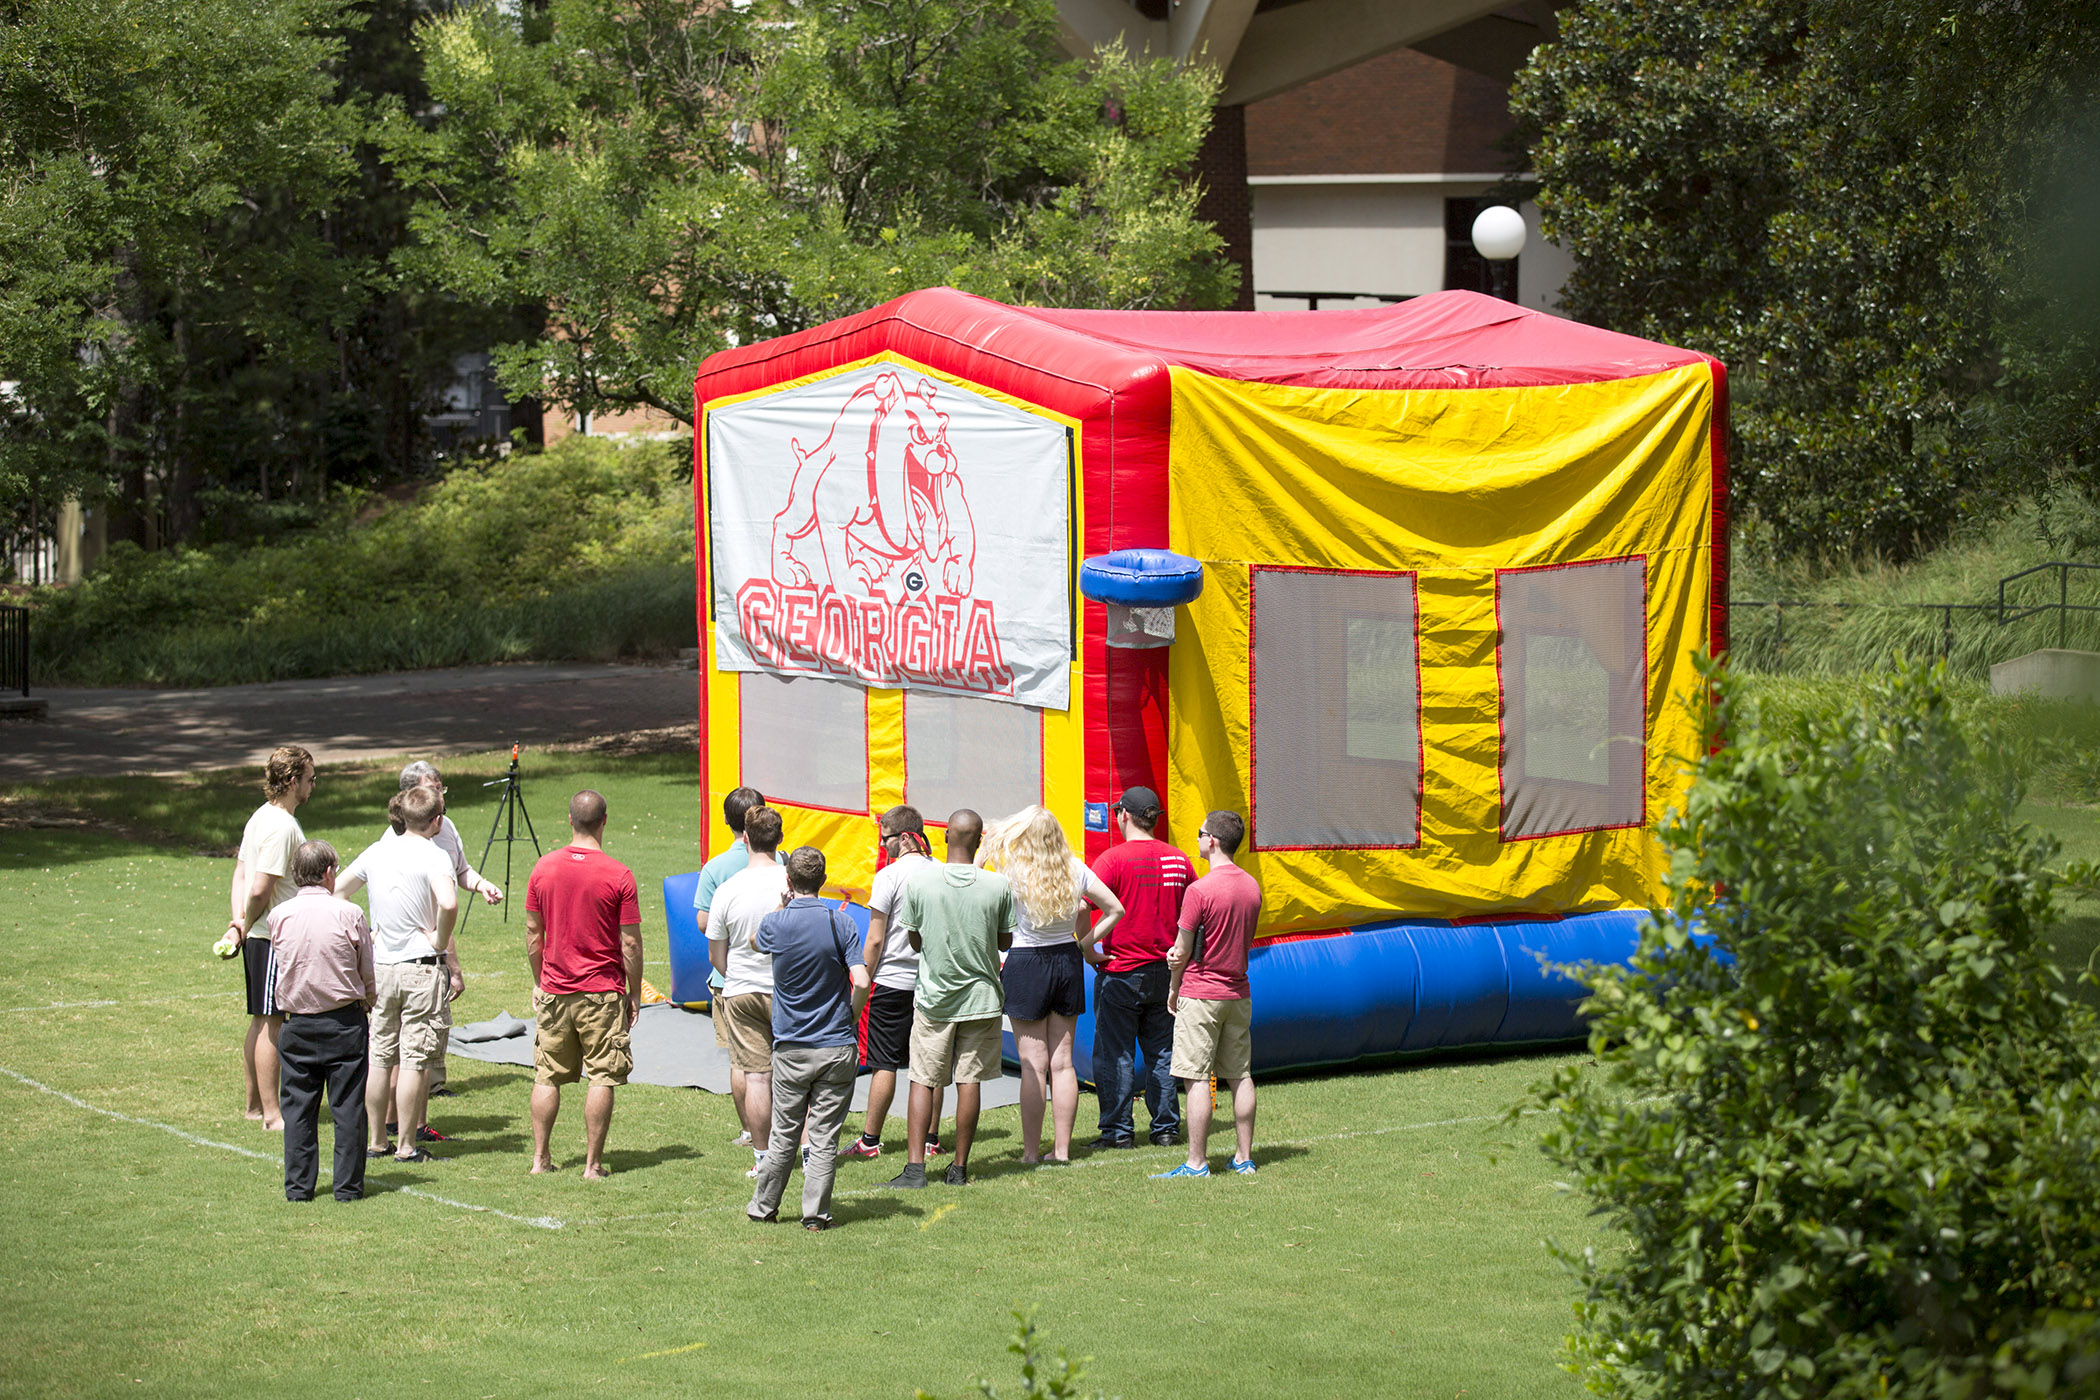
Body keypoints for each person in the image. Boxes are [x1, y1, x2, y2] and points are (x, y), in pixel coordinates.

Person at [980, 805, 1123, 1165]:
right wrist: (1085, 944)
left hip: (1026, 962)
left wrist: (983, 852)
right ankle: (1060, 1151)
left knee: (1032, 1066)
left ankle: (1030, 1152)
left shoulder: (1012, 872)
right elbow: (1115, 909)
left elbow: (972, 881)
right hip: (1066, 960)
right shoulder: (1075, 867)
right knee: (1062, 1064)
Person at [884, 810, 1016, 1189]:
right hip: (982, 997)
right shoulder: (997, 886)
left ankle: (914, 1169)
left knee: (923, 1079)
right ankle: (958, 1167)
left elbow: (913, 940)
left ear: (944, 836)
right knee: (968, 1080)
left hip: (934, 997)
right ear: (980, 840)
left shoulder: (921, 882)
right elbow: (1004, 942)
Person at [747, 846, 870, 1230]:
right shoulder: (842, 924)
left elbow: (754, 942)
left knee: (784, 1133)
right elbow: (862, 980)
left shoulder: (775, 924)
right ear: (823, 880)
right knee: (824, 1137)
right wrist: (851, 1014)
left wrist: (781, 909)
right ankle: (815, 1214)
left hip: (791, 1047)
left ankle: (763, 1207)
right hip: (836, 1044)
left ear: (789, 881)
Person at [524, 790, 643, 1178]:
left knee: (547, 1074)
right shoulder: (618, 874)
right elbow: (629, 942)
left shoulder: (543, 868)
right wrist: (634, 992)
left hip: (556, 989)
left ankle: (540, 1160)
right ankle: (593, 1165)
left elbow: (532, 934)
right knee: (602, 1075)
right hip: (601, 992)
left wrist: (541, 979)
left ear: (570, 820)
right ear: (604, 821)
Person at [339, 784, 459, 1164]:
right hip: (420, 968)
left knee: (380, 1055)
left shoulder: (378, 850)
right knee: (414, 1059)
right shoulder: (434, 854)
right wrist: (439, 939)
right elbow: (449, 902)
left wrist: (365, 933)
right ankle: (406, 1145)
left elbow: (337, 890)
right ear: (436, 820)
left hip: (382, 968)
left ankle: (376, 1141)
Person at [1155, 810, 1262, 1180]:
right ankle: (1243, 1158)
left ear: (1212, 841)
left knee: (1196, 1077)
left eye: (1200, 833)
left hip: (1202, 993)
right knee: (1240, 1076)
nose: (1197, 838)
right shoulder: (1252, 886)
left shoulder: (1198, 890)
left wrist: (1173, 989)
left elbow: (1181, 951)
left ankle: (1197, 1163)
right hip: (1238, 991)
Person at [1084, 786, 1193, 1149]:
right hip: (1166, 972)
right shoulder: (1179, 860)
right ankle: (1166, 1129)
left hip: (1122, 970)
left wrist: (1087, 949)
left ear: (1123, 815)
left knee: (1116, 1053)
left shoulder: (1112, 860)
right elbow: (1194, 914)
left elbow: (1083, 906)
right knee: (1163, 1052)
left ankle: (1118, 1132)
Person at [268, 840, 377, 1203]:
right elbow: (366, 972)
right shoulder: (350, 914)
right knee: (348, 1107)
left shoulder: (279, 916)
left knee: (298, 1109)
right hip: (343, 1022)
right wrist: (370, 1004)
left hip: (296, 1022)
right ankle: (347, 1188)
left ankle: (298, 1188)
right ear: (329, 872)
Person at [842, 804, 949, 1162]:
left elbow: (874, 939)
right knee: (930, 1064)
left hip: (891, 981)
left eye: (886, 838)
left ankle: (870, 1140)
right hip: (933, 981)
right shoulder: (943, 873)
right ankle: (931, 1140)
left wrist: (864, 978)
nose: (883, 845)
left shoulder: (889, 876)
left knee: (883, 1063)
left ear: (904, 837)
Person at [395, 761, 504, 1111]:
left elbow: (460, 871)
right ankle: (409, 1118)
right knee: (417, 1027)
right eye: (433, 789)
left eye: (441, 788)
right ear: (411, 796)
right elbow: (442, 906)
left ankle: (432, 1084)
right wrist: (450, 961)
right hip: (418, 947)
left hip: (433, 938)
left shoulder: (446, 827)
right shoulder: (402, 840)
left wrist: (482, 884)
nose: (440, 796)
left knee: (435, 1020)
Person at [227, 744, 316, 1131]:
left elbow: (240, 874)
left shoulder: (260, 816)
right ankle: (271, 1114)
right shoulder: (281, 827)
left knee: (261, 1021)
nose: (314, 786)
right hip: (272, 937)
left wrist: (237, 923)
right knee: (272, 1025)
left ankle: (252, 1107)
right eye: (311, 779)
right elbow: (260, 887)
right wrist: (245, 925)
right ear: (293, 781)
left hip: (258, 933)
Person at [707, 805, 790, 1177]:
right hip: (787, 990)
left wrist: (738, 976)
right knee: (794, 1074)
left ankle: (763, 1157)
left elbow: (716, 953)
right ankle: (801, 1151)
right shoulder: (794, 882)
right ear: (781, 840)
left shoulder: (727, 888)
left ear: (744, 838)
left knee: (756, 1076)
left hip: (740, 990)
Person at [694, 786, 764, 1147]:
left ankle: (752, 1130)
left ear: (726, 821)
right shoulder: (782, 863)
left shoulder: (716, 867)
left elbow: (705, 924)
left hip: (731, 978)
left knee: (741, 1059)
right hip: (777, 976)